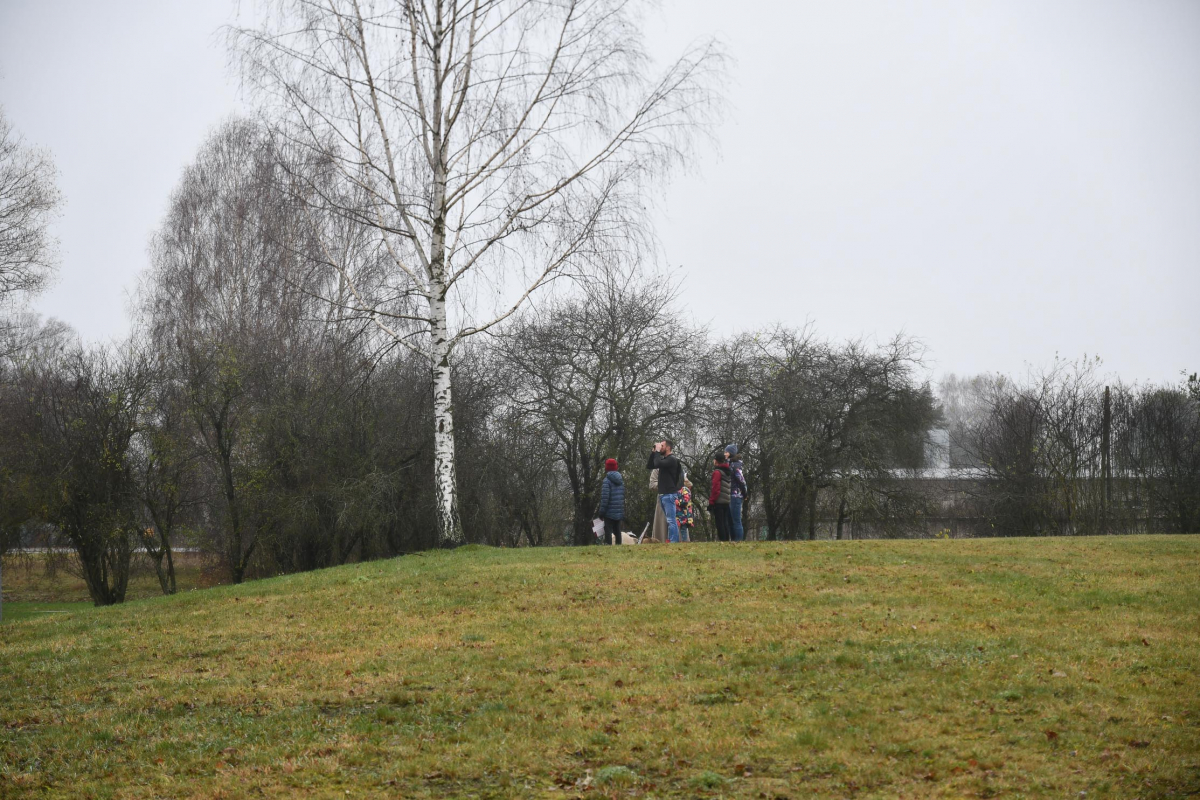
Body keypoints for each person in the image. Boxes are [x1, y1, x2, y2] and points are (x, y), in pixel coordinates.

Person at [647, 439, 684, 543]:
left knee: (671, 520)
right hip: (663, 494)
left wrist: (658, 452)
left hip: (669, 494)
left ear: (668, 447)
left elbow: (658, 462)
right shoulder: (664, 460)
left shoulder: (672, 459)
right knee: (669, 520)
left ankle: (673, 541)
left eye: (662, 446)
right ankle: (671, 540)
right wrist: (654, 452)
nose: (660, 447)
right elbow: (650, 465)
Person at [597, 458, 625, 545]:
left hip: (609, 511)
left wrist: (601, 512)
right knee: (617, 530)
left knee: (608, 530)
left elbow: (605, 498)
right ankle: (618, 546)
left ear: (607, 467)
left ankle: (608, 546)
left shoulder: (607, 481)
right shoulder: (620, 480)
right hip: (619, 510)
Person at [708, 450, 733, 542]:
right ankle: (727, 540)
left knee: (719, 523)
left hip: (719, 501)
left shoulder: (717, 472)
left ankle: (722, 540)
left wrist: (711, 502)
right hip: (726, 500)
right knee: (725, 522)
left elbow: (715, 488)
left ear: (716, 460)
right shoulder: (728, 471)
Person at [725, 444, 747, 542]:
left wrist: (745, 492)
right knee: (730, 521)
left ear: (730, 453)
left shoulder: (736, 465)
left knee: (736, 520)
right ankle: (733, 540)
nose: (724, 453)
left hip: (736, 495)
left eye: (726, 452)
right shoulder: (729, 464)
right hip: (730, 494)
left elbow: (741, 480)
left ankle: (738, 540)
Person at [676, 476, 695, 543]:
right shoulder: (679, 490)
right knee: (679, 528)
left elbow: (685, 501)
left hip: (684, 514)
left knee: (683, 528)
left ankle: (685, 541)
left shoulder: (685, 490)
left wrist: (677, 502)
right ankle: (679, 540)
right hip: (680, 514)